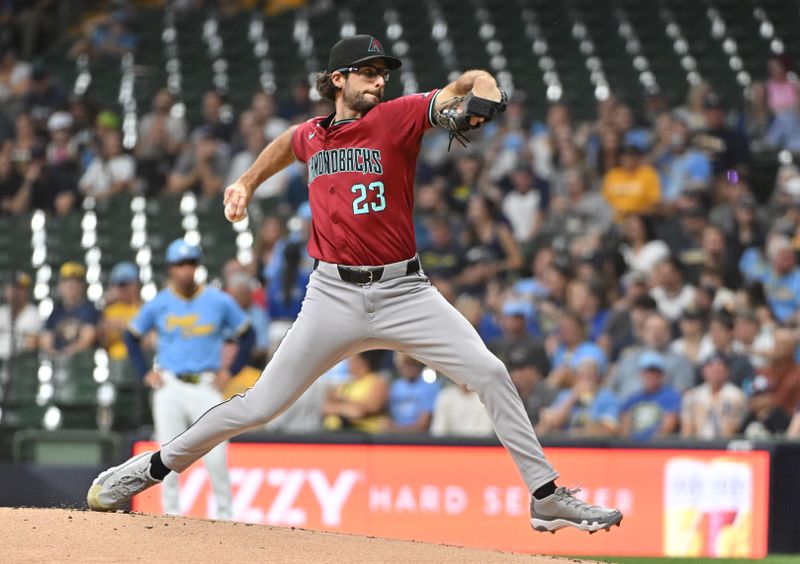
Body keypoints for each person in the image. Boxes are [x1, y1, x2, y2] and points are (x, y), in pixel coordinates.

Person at [87, 34, 622, 533]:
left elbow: (469, 82)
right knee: (257, 405)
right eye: (367, 72)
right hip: (332, 296)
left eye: (383, 73)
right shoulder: (313, 136)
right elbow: (285, 143)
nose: (379, 81)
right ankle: (150, 469)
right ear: (337, 79)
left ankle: (545, 495)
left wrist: (486, 94)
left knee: (490, 371)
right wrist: (246, 181)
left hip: (405, 292)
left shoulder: (398, 117)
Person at [117, 239, 255, 520]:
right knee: (167, 453)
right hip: (170, 384)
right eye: (180, 264)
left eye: (191, 263)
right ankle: (171, 515)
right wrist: (146, 370)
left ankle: (226, 516)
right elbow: (131, 336)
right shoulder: (160, 302)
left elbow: (248, 334)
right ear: (170, 269)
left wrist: (232, 370)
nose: (186, 270)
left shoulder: (218, 301)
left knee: (216, 456)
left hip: (206, 384)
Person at [619, 352, 682, 442]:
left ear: (662, 375)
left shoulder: (671, 396)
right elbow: (625, 427)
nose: (651, 376)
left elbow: (669, 425)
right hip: (632, 448)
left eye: (655, 372)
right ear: (641, 374)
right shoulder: (632, 399)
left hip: (658, 447)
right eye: (647, 372)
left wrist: (649, 446)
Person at [40, 262, 99, 359]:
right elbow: (46, 339)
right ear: (60, 286)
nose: (72, 285)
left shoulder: (90, 310)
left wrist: (64, 355)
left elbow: (88, 338)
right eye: (67, 281)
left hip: (82, 363)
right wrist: (55, 355)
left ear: (83, 285)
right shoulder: (55, 313)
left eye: (77, 281)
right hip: (57, 362)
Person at [681, 354, 747, 440]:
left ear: (727, 371)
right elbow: (687, 430)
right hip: (697, 445)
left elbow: (731, 430)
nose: (716, 371)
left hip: (723, 445)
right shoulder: (692, 395)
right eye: (712, 368)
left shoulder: (737, 396)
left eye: (720, 368)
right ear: (704, 371)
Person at [386, 353, 441, 432]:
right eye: (403, 365)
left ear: (417, 364)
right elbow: (389, 416)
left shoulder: (430, 387)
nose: (407, 369)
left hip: (418, 439)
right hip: (395, 437)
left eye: (411, 364)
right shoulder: (395, 386)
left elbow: (423, 425)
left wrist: (395, 429)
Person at [0, 271, 41, 360]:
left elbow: (31, 345)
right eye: (13, 288)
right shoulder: (2, 312)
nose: (16, 293)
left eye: (21, 289)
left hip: (20, 363)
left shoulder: (33, 314)